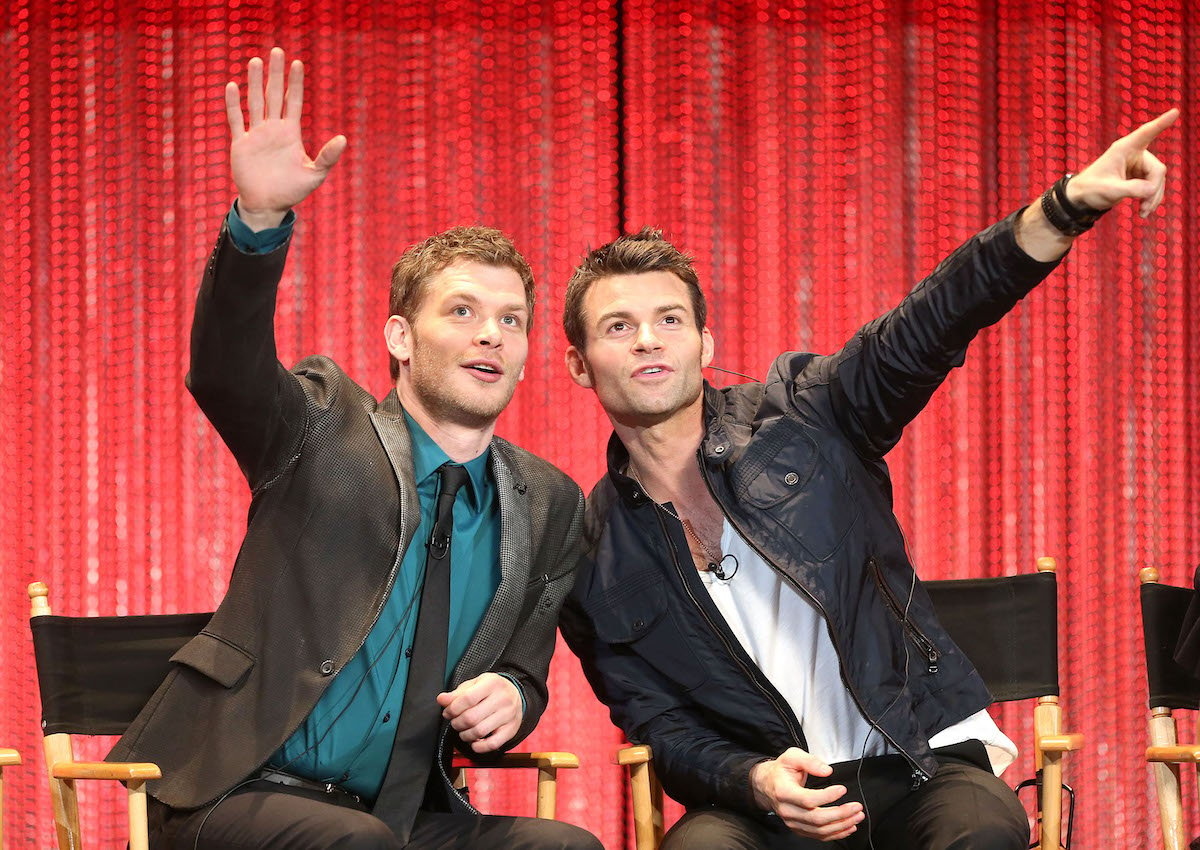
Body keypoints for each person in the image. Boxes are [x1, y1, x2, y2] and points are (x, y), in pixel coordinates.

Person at [558, 109, 1177, 849]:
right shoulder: (590, 549)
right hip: (772, 796)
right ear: (579, 363)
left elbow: (929, 323)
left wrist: (1064, 207)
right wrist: (751, 781)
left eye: (669, 319)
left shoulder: (806, 412)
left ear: (704, 341)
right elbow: (659, 723)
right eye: (619, 327)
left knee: (982, 832)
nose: (649, 339)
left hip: (916, 760)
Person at [108, 48, 601, 850]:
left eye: (511, 320)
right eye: (464, 311)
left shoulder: (548, 501)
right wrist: (258, 223)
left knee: (562, 847)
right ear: (400, 337)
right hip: (235, 792)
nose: (491, 334)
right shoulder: (321, 425)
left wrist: (514, 695)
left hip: (399, 812)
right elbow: (226, 371)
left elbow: (525, 664)